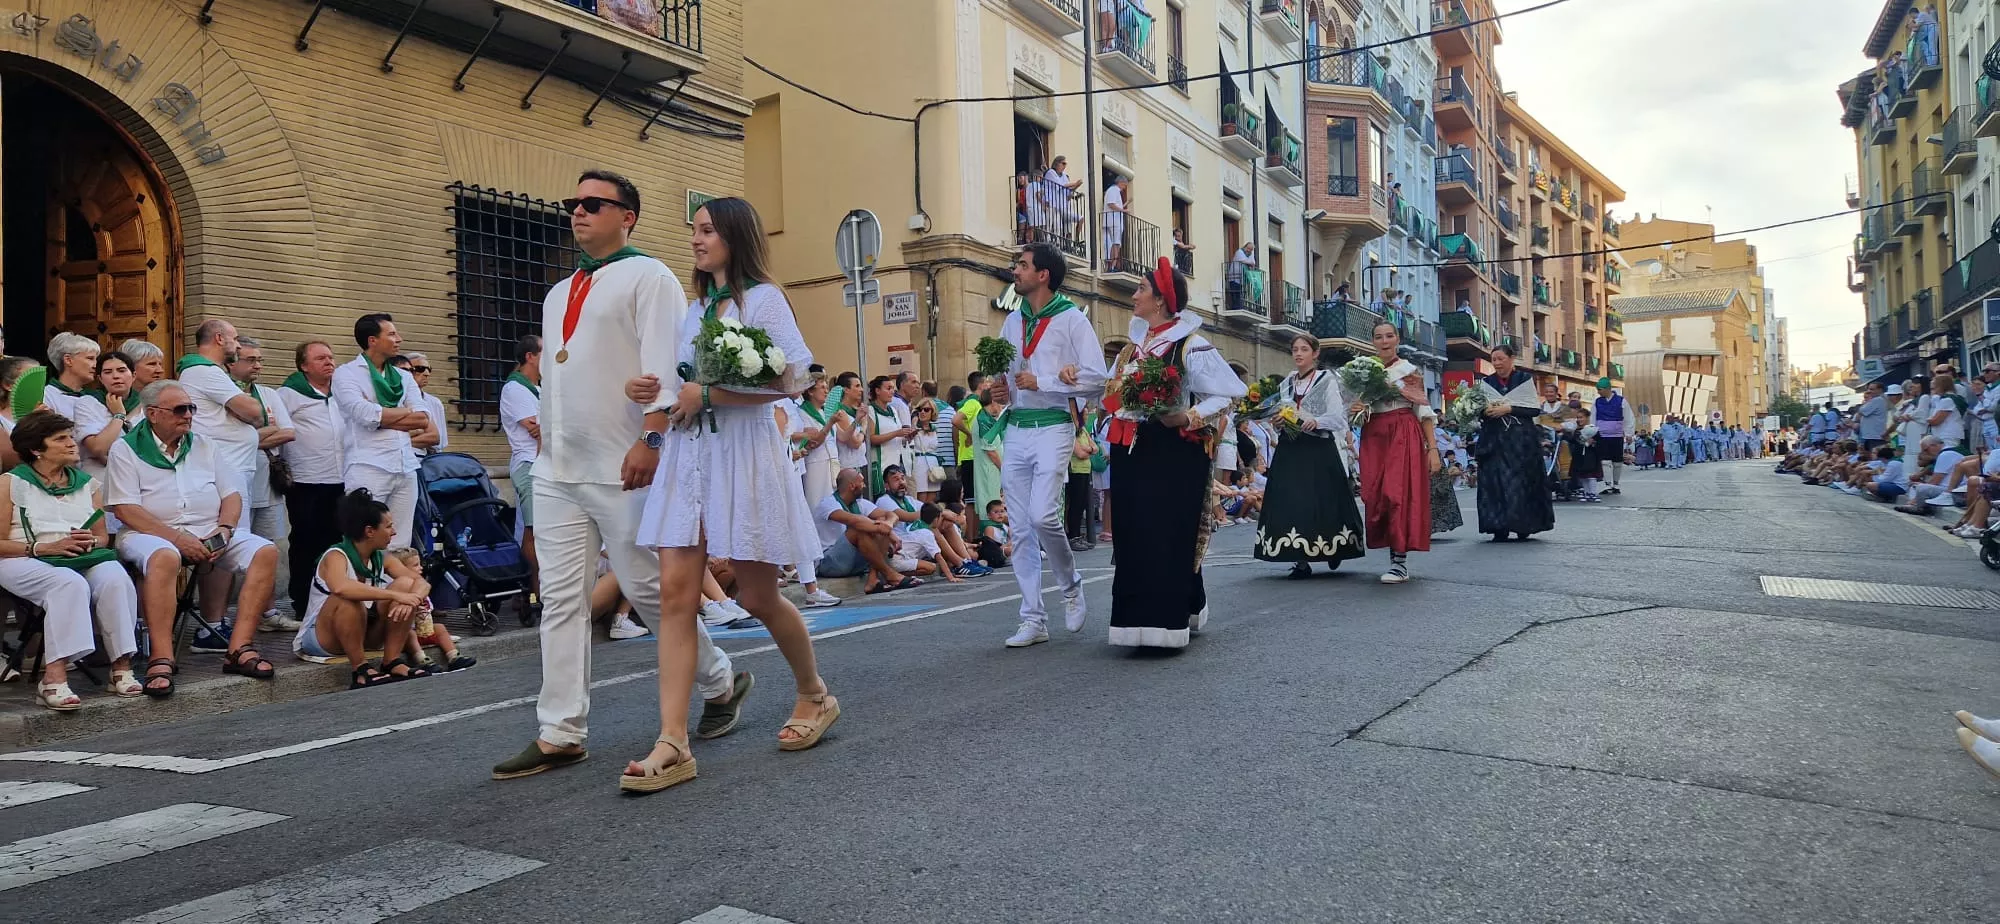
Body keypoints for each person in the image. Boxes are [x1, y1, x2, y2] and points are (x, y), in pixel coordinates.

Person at [492, 172, 747, 787]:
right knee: (560, 598)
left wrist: (651, 439)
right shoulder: (559, 293)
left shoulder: (651, 276)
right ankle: (561, 730)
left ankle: (719, 681)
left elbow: (661, 366)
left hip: (622, 463)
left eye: (593, 204)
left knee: (651, 588)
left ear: (627, 216)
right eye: (572, 203)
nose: (578, 212)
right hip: (557, 469)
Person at [626, 195, 838, 792]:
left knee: (758, 593)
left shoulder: (765, 301)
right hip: (691, 456)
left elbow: (794, 378)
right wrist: (649, 391)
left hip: (742, 456)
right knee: (674, 593)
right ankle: (672, 741)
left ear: (735, 238)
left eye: (708, 231)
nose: (697, 240)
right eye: (694, 230)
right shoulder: (693, 311)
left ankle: (814, 693)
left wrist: (711, 396)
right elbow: (678, 389)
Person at [1099, 259, 1244, 648]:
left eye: (1141, 289)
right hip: (1129, 446)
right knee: (1133, 532)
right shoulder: (1131, 349)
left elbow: (1227, 394)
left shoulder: (1190, 344)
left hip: (1173, 449)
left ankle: (1167, 621)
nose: (1134, 295)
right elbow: (1110, 394)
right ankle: (1144, 618)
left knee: (1166, 531)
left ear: (1161, 300)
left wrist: (1187, 415)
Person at [108, 380, 282, 688]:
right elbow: (125, 509)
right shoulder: (126, 449)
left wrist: (225, 530)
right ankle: (161, 658)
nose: (188, 415)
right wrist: (177, 538)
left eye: (191, 408)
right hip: (148, 533)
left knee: (265, 551)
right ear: (152, 414)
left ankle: (239, 648)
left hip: (208, 530)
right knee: (164, 556)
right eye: (179, 409)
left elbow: (231, 495)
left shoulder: (204, 444)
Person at [990, 242, 1108, 648]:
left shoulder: (1072, 319)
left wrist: (1047, 381)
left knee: (1043, 516)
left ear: (1043, 275)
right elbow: (1007, 379)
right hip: (1018, 429)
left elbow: (1098, 378)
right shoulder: (1011, 322)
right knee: (1019, 528)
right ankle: (1033, 618)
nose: (1015, 270)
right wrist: (1000, 390)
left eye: (1022, 265)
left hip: (1055, 426)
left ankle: (1071, 586)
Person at [0, 410, 141, 709]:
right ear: (36, 449)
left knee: (115, 576)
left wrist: (90, 542)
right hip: (21, 557)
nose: (71, 443)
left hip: (76, 557)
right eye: (60, 439)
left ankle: (121, 668)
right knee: (68, 584)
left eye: (70, 436)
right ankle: (53, 677)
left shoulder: (88, 485)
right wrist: (44, 548)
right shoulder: (10, 484)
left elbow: (102, 536)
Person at [296, 488, 438, 686]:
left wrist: (410, 599)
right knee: (347, 598)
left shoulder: (382, 557)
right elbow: (341, 588)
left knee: (406, 584)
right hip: (323, 636)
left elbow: (421, 582)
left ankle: (391, 661)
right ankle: (360, 668)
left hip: (363, 631)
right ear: (370, 531)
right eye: (388, 526)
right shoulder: (335, 555)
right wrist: (397, 595)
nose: (394, 532)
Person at [1255, 333, 1365, 576]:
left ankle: (1334, 547)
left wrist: (1317, 421)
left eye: (1304, 349)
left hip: (1318, 449)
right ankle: (1300, 559)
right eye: (1295, 349)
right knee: (1293, 500)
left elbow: (1337, 417)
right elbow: (1282, 413)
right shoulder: (1287, 383)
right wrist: (1278, 422)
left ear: (1315, 354)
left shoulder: (1327, 381)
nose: (1298, 353)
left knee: (1323, 499)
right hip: (1291, 448)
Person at [331, 314, 436, 549]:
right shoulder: (346, 374)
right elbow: (363, 414)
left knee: (399, 542)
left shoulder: (401, 376)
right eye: (391, 334)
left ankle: (394, 586)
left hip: (405, 466)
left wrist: (381, 416)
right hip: (368, 466)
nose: (399, 339)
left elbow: (422, 418)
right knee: (362, 539)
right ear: (372, 340)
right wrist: (400, 411)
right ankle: (362, 586)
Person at [1350, 322, 1440, 583]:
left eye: (1389, 336)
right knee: (1374, 495)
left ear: (1397, 339)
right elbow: (1357, 414)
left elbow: (1423, 411)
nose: (1384, 341)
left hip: (1402, 431)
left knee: (1396, 494)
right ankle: (1392, 551)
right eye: (1379, 337)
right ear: (1373, 342)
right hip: (1374, 435)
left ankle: (1399, 562)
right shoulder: (1364, 372)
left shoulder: (1409, 371)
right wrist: (1357, 409)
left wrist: (1432, 449)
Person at [227, 337, 300, 632]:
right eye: (251, 360)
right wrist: (259, 436)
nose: (258, 365)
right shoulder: (222, 393)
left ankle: (268, 613)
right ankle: (227, 618)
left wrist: (246, 439)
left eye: (260, 359)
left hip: (267, 484)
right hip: (234, 485)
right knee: (234, 552)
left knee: (268, 549)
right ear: (232, 361)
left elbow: (288, 432)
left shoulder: (268, 393)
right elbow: (222, 440)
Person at [278, 340, 346, 628]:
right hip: (306, 480)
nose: (328, 362)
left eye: (330, 357)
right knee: (306, 540)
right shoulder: (288, 394)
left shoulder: (342, 392)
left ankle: (333, 596)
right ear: (304, 365)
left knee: (335, 540)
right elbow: (280, 431)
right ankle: (303, 601)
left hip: (341, 478)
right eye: (320, 358)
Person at [499, 334, 543, 614]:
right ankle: (537, 589)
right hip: (529, 463)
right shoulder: (515, 388)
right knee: (533, 529)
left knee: (541, 528)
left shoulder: (539, 387)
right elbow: (536, 428)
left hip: (543, 464)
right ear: (530, 356)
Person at [43, 334, 117, 484]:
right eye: (90, 358)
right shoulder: (46, 395)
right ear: (68, 360)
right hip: (64, 478)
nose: (96, 365)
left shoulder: (97, 398)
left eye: (96, 359)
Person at [864, 375, 915, 497]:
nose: (892, 391)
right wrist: (896, 433)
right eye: (888, 388)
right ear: (877, 391)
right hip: (881, 462)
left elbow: (898, 435)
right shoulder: (871, 411)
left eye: (893, 388)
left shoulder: (893, 411)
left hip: (895, 462)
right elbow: (871, 438)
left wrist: (907, 436)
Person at [403, 352, 449, 452]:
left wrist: (401, 443)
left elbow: (439, 440)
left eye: (429, 369)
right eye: (420, 369)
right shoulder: (393, 398)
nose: (426, 373)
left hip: (427, 459)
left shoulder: (434, 402)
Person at [1592, 377, 1628, 494]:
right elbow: (1593, 418)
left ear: (1608, 389)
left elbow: (1628, 417)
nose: (1598, 392)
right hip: (1602, 436)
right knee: (1605, 461)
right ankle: (1608, 485)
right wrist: (1593, 433)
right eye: (1597, 389)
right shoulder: (1597, 402)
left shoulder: (1621, 401)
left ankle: (1616, 484)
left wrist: (1629, 433)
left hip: (1617, 436)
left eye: (1600, 389)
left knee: (1617, 461)